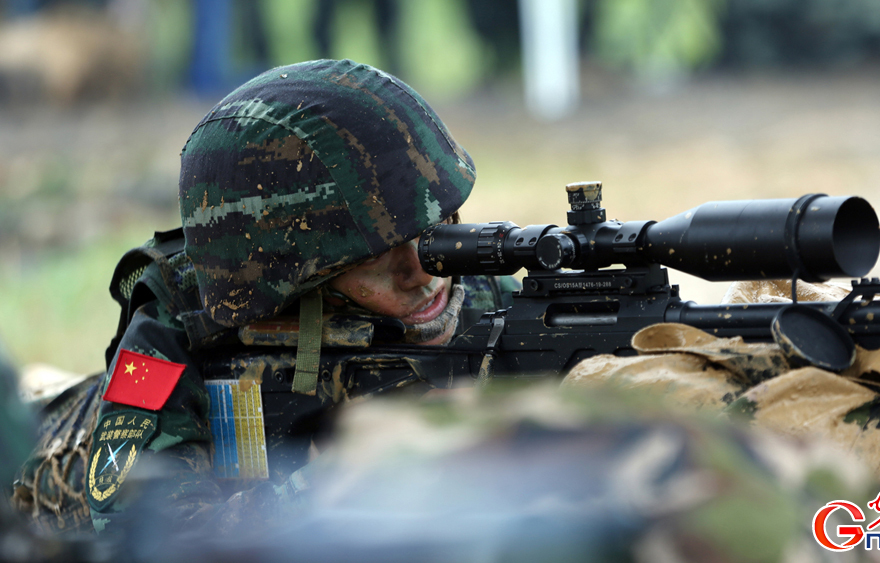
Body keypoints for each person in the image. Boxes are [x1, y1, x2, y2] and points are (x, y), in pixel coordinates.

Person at [15, 59, 518, 535]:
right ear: (295, 277)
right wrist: (329, 483)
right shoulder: (185, 324)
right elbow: (142, 533)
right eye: (375, 257)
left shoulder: (497, 303)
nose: (421, 272)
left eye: (434, 232)